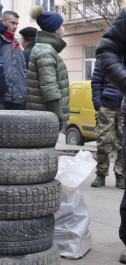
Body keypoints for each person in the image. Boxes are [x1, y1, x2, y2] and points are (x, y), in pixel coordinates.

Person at [95, 8, 126, 263]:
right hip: (111, 104)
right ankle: (103, 173)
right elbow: (105, 52)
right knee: (106, 143)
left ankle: (118, 174)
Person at [26, 5, 69, 131]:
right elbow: (49, 86)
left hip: (44, 115)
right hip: (46, 117)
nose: (64, 28)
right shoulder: (45, 51)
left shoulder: (45, 49)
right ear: (56, 29)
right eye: (62, 25)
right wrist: (57, 115)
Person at [90, 63, 123, 189]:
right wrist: (98, 105)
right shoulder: (105, 56)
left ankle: (121, 175)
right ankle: (101, 175)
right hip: (107, 106)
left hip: (124, 107)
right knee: (103, 142)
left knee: (123, 144)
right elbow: (96, 82)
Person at [0, 10, 27, 110]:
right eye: (12, 23)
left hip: (19, 99)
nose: (15, 27)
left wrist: (23, 91)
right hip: (3, 98)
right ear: (2, 21)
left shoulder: (16, 44)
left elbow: (24, 70)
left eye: (16, 24)